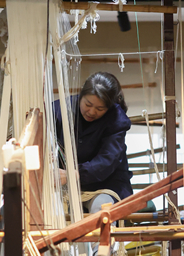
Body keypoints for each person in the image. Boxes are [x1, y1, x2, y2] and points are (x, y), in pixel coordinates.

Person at [54, 71, 133, 213]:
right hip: (66, 187)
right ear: (81, 96)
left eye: (99, 109)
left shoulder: (117, 119)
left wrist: (73, 174)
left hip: (105, 186)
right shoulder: (59, 110)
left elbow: (107, 161)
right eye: (88, 104)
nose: (91, 111)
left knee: (101, 210)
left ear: (109, 107)